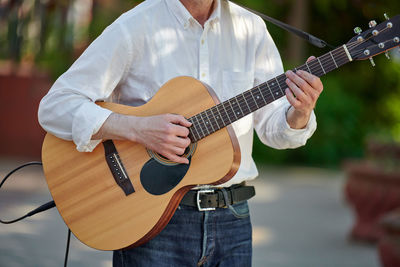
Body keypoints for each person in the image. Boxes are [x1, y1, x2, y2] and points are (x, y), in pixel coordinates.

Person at [38, 0, 323, 266]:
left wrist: (300, 111)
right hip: (153, 222)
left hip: (233, 220)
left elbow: (274, 130)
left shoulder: (251, 29)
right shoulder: (136, 25)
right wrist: (137, 129)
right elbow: (56, 106)